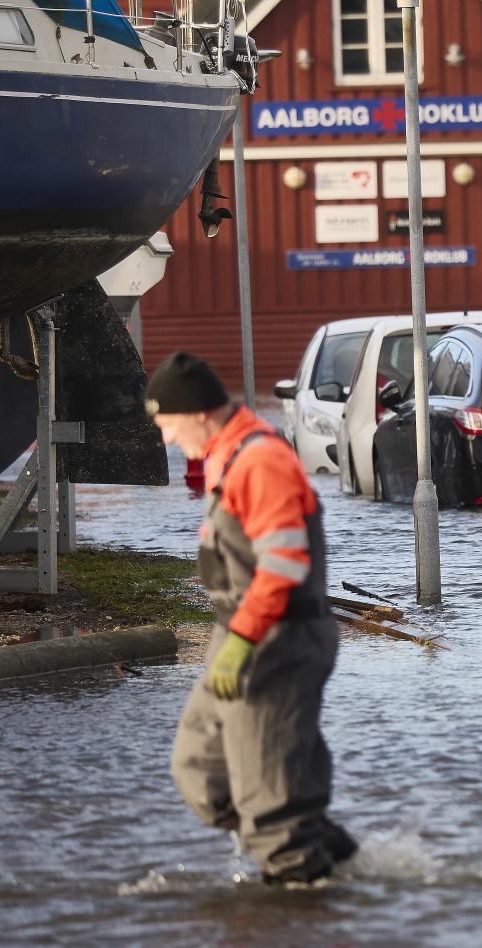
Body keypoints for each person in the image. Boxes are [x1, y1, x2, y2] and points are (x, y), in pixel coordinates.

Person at [145, 351, 355, 885]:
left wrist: (240, 641)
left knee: (268, 804)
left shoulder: (259, 460)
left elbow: (283, 564)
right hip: (239, 635)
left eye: (166, 423)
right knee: (200, 771)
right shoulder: (227, 455)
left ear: (196, 413)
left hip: (276, 640)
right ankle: (320, 851)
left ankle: (295, 880)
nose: (167, 439)